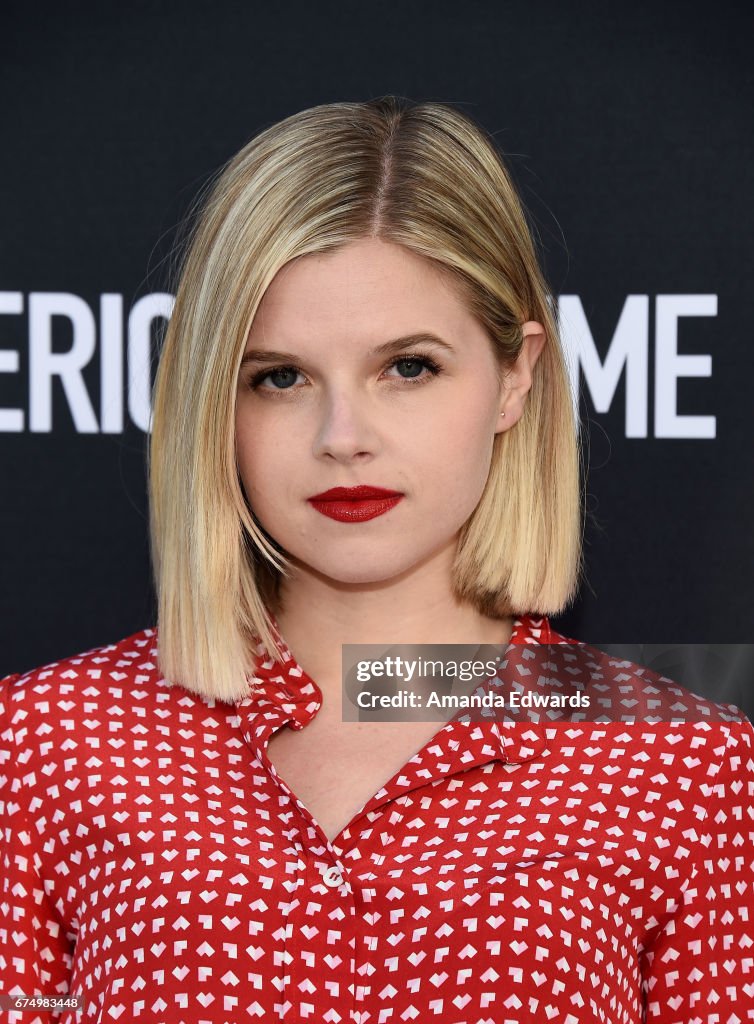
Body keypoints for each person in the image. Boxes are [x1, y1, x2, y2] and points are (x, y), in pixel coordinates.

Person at [1, 97, 752, 1024]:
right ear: (214, 404)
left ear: (514, 375)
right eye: (280, 377)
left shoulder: (686, 768)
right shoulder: (43, 746)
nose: (343, 438)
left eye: (408, 367)